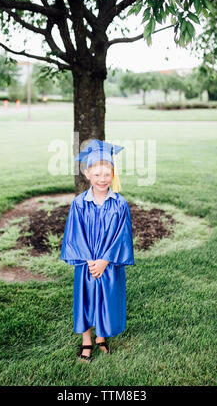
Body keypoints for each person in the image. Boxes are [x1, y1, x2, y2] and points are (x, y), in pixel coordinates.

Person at [60, 139, 134, 362]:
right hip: (87, 264)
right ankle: (86, 340)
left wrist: (106, 260)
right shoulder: (79, 203)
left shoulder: (120, 204)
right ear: (87, 175)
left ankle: (102, 337)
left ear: (113, 174)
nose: (102, 179)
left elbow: (123, 236)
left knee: (106, 299)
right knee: (86, 300)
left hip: (108, 264)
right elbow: (74, 234)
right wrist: (91, 260)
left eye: (106, 174)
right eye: (97, 174)